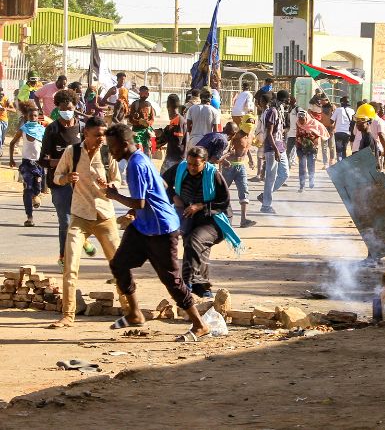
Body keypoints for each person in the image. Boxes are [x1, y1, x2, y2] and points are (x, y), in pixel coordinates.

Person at [101, 124, 210, 341]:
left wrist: (114, 196)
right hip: (143, 226)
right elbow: (158, 185)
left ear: (124, 145)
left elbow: (140, 202)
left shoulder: (136, 165)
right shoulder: (139, 159)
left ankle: (200, 324)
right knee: (118, 264)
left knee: (171, 280)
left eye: (112, 147)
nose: (110, 151)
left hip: (161, 229)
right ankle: (134, 313)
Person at [49, 116, 128, 328]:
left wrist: (110, 184)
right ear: (86, 134)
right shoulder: (72, 152)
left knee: (119, 266)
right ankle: (68, 314)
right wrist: (67, 179)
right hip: (80, 216)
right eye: (97, 135)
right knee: (70, 266)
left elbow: (118, 180)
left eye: (104, 135)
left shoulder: (106, 153)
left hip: (104, 216)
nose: (101, 139)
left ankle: (129, 309)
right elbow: (56, 177)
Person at [163, 146, 241, 299]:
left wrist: (200, 205)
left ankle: (187, 283)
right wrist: (173, 196)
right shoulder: (180, 169)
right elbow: (161, 182)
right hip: (190, 217)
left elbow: (223, 202)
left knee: (195, 241)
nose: (191, 168)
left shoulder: (214, 175)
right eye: (189, 164)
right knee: (194, 246)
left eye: (195, 165)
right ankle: (202, 286)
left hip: (215, 219)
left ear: (204, 163)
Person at [40, 89, 89, 271]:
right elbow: (42, 159)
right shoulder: (52, 130)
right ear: (58, 108)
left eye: (69, 108)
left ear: (75, 107)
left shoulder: (83, 128)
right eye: (63, 108)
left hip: (80, 182)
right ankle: (64, 257)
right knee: (65, 221)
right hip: (59, 182)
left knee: (83, 218)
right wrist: (62, 162)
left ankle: (81, 242)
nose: (67, 112)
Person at [8, 102, 44, 227]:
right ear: (27, 117)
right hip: (26, 164)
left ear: (38, 117)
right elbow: (12, 143)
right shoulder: (23, 129)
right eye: (31, 116)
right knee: (27, 189)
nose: (33, 118)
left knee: (37, 189)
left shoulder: (42, 130)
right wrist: (11, 159)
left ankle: (37, 195)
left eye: (35, 116)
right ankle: (29, 217)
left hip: (39, 164)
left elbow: (47, 147)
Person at [259, 90, 290, 214]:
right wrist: (276, 150)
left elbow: (279, 132)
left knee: (284, 174)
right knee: (270, 178)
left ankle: (265, 195)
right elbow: (269, 133)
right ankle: (266, 205)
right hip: (272, 149)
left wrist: (281, 145)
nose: (289, 101)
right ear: (283, 99)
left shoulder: (281, 110)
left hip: (279, 147)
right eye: (287, 99)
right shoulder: (273, 111)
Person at [295, 108, 326, 192]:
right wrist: (300, 140)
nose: (301, 121)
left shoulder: (314, 124)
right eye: (300, 119)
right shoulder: (298, 123)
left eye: (302, 119)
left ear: (306, 118)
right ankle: (302, 185)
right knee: (302, 166)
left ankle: (311, 180)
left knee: (310, 165)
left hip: (311, 148)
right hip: (300, 147)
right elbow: (297, 134)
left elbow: (318, 136)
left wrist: (310, 141)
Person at [155, 94, 187, 174]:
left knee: (163, 180)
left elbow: (177, 141)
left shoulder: (178, 121)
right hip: (173, 157)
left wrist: (163, 134)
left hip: (175, 158)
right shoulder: (175, 121)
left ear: (168, 106)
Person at [128, 86, 156, 157]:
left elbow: (152, 118)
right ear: (139, 93)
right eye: (142, 93)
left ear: (148, 94)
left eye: (146, 93)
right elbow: (130, 119)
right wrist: (139, 122)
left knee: (148, 152)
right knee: (138, 151)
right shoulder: (135, 104)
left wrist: (148, 123)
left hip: (146, 132)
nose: (144, 95)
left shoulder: (149, 105)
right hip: (137, 132)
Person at [331, 96, 355, 162]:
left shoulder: (338, 110)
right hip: (347, 133)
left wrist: (332, 112)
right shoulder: (352, 111)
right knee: (344, 149)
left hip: (338, 132)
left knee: (339, 150)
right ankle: (344, 164)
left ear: (341, 103)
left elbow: (331, 121)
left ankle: (339, 163)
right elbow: (353, 122)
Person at [0, 86, 16, 161]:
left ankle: (1, 148)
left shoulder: (6, 99)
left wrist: (5, 108)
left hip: (4, 121)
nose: (1, 96)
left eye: (2, 95)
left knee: (2, 138)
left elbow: (14, 110)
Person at [285, 96, 299, 169]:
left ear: (294, 101)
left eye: (290, 100)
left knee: (300, 152)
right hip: (290, 134)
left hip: (297, 134)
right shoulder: (289, 109)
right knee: (288, 151)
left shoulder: (297, 109)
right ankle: (288, 165)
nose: (289, 101)